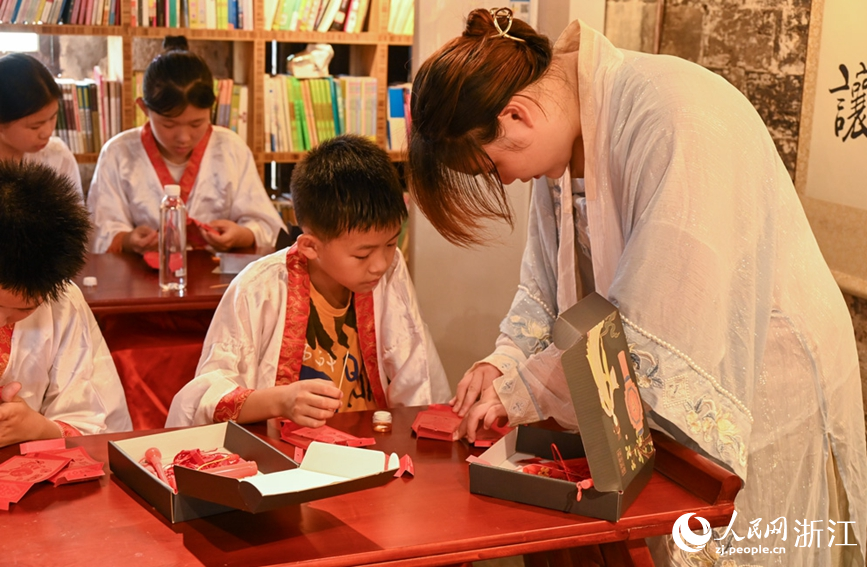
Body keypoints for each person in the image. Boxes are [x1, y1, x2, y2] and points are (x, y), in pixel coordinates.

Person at [407, 8, 867, 567]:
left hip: (760, 373)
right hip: (672, 363)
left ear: (516, 114)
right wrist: (505, 362)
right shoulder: (563, 135)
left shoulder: (674, 114)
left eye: (488, 166)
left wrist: (524, 390)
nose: (502, 180)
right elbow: (544, 288)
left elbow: (658, 320)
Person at [167, 134, 451, 427]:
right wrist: (280, 401)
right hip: (286, 456)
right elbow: (206, 398)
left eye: (391, 244)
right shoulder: (257, 289)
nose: (380, 265)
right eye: (362, 254)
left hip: (371, 444)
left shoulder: (390, 270)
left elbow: (417, 373)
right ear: (310, 247)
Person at [87, 36, 286, 255]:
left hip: (219, 279)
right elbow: (99, 230)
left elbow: (268, 226)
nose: (183, 137)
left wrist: (242, 235)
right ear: (144, 109)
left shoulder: (230, 148)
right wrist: (128, 240)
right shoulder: (118, 153)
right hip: (141, 279)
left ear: (212, 108)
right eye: (169, 124)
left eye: (196, 123)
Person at [0, 160, 132, 447]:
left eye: (24, 309)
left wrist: (38, 427)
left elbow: (95, 419)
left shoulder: (62, 301)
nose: (4, 320)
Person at [0, 53, 83, 197]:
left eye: (53, 117)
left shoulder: (57, 156)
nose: (47, 132)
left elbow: (75, 216)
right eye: (35, 126)